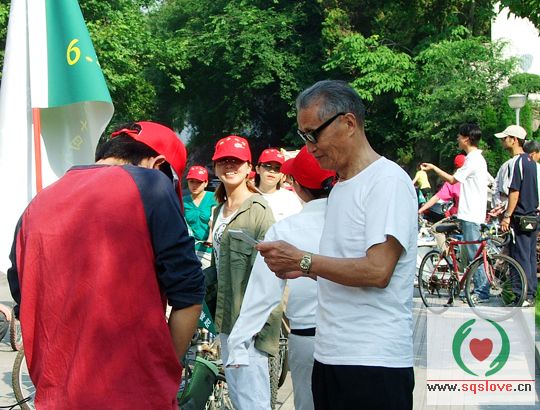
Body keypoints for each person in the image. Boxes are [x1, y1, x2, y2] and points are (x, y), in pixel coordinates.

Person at [7, 121, 205, 409]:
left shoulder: (37, 204)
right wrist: (163, 369)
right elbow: (189, 294)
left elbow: (23, 298)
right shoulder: (151, 184)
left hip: (56, 396)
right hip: (134, 395)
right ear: (158, 164)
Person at [257, 80, 417, 409]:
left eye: (313, 134)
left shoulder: (387, 181)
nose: (310, 147)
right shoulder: (342, 187)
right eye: (304, 136)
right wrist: (300, 268)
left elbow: (377, 271)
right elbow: (347, 264)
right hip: (330, 355)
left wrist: (304, 261)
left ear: (348, 123)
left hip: (373, 361)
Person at [227, 146, 336, 410]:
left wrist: (238, 342)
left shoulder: (286, 229)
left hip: (307, 338)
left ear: (296, 186)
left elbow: (262, 295)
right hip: (357, 339)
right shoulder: (357, 222)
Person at [204, 135, 280, 410]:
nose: (229, 166)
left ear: (249, 167)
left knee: (253, 402)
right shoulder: (218, 211)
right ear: (215, 167)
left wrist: (262, 332)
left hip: (249, 326)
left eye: (236, 161)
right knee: (238, 398)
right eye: (223, 160)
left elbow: (272, 276)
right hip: (226, 321)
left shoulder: (259, 211)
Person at [421, 123, 489, 303]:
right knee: (472, 252)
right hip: (473, 213)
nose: (457, 139)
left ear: (466, 138)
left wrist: (434, 168)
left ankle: (482, 292)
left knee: (474, 254)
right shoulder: (478, 159)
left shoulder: (473, 159)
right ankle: (467, 286)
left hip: (470, 214)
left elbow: (452, 179)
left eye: (459, 136)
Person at [495, 125, 538, 307]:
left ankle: (522, 295)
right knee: (529, 255)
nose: (502, 141)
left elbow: (514, 191)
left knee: (519, 256)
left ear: (514, 140)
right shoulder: (531, 161)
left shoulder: (516, 162)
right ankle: (531, 293)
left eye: (505, 138)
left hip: (519, 215)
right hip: (532, 216)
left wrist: (507, 215)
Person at [183, 165, 217, 269]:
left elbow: (214, 220)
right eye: (191, 181)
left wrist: (210, 238)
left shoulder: (213, 197)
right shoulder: (183, 201)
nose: (194, 185)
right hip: (189, 250)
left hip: (209, 250)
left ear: (206, 183)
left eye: (199, 182)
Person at [255, 148, 303, 220]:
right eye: (267, 166)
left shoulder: (290, 198)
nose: (272, 171)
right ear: (257, 169)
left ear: (282, 175)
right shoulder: (247, 194)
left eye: (277, 168)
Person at [418, 154, 466, 221]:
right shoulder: (474, 178)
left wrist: (420, 210)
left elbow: (437, 197)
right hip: (472, 216)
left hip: (460, 216)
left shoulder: (452, 183)